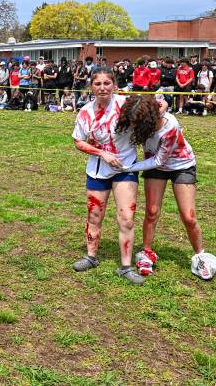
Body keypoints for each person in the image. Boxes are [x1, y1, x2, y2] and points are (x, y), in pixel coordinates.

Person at [115, 95, 216, 280]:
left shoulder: (169, 126)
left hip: (181, 165)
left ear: (147, 120)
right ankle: (147, 252)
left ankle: (200, 255)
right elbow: (157, 98)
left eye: (137, 123)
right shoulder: (149, 111)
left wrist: (130, 167)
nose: (134, 126)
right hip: (155, 167)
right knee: (152, 211)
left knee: (188, 216)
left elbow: (159, 160)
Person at [71, 66, 144, 285]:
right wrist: (102, 153)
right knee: (94, 216)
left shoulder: (127, 105)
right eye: (97, 84)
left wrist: (163, 106)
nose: (102, 88)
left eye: (106, 83)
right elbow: (78, 141)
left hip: (125, 169)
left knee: (127, 218)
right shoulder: (85, 112)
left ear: (114, 85)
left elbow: (156, 107)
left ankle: (125, 266)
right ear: (91, 86)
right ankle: (91, 257)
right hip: (97, 170)